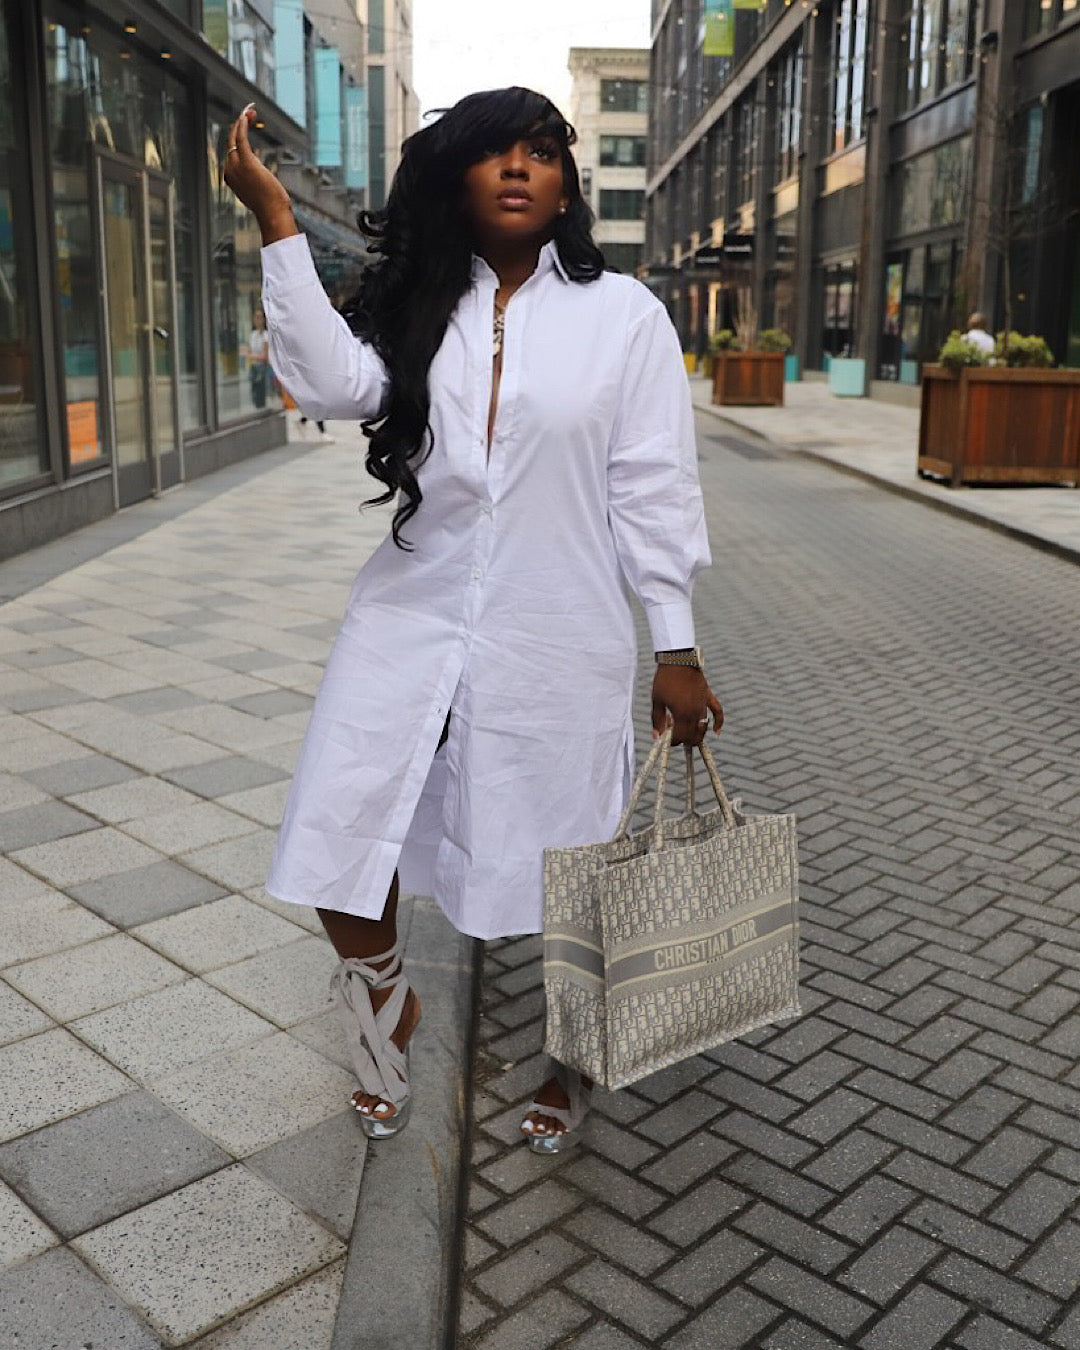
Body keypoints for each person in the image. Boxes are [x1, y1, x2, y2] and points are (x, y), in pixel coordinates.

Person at [223, 88, 722, 1152]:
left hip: (560, 623)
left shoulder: (624, 316)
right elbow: (329, 383)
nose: (519, 167)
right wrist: (275, 220)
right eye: (496, 152)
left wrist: (675, 643)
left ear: (566, 186)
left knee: (568, 847)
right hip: (412, 607)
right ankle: (386, 1000)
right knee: (341, 808)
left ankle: (573, 1054)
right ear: (457, 179)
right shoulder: (419, 305)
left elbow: (653, 485)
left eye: (541, 151)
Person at [248, 306, 270, 408]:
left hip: (262, 368)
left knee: (261, 394)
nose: (258, 320)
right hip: (253, 367)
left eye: (260, 317)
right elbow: (249, 352)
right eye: (256, 317)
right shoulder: (253, 335)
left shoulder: (266, 335)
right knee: (254, 395)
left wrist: (253, 356)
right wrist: (253, 356)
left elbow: (265, 356)